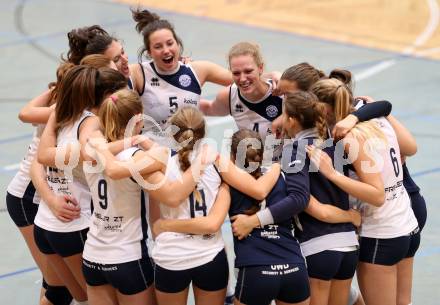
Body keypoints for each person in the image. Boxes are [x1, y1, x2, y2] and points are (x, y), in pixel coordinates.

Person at [154, 128, 311, 305]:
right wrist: (275, 166)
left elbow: (211, 222)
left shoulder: (228, 185)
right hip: (294, 265)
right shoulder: (282, 176)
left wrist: (166, 225)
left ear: (234, 156)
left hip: (256, 269)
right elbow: (298, 201)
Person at [309, 77, 418, 305]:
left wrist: (332, 174)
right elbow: (411, 147)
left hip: (381, 232)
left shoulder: (350, 138)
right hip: (406, 224)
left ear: (325, 109)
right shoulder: (378, 119)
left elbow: (377, 195)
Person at [33, 66, 127, 304]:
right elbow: (81, 152)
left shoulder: (58, 118)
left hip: (45, 223)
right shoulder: (90, 123)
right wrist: (132, 142)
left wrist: (51, 200)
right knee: (98, 296)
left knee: (68, 294)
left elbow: (37, 161)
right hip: (74, 223)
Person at [199, 42, 283, 160]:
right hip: (251, 166)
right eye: (236, 73)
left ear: (260, 68)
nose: (242, 79)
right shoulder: (229, 96)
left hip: (283, 166)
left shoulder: (281, 93)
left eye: (248, 71)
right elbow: (208, 108)